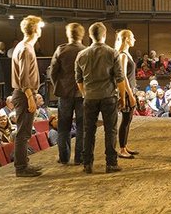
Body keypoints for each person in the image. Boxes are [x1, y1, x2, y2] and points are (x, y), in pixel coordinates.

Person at [76, 22, 132, 174]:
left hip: (90, 97)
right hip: (108, 96)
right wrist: (122, 97)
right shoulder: (112, 53)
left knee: (88, 131)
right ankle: (111, 163)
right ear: (105, 34)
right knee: (110, 130)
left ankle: (87, 163)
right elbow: (120, 78)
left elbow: (79, 79)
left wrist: (84, 93)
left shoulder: (81, 55)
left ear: (90, 35)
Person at [10, 15, 43, 178]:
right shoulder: (25, 48)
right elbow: (24, 78)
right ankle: (21, 167)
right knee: (23, 133)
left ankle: (24, 164)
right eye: (40, 27)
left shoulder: (24, 47)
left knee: (25, 133)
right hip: (24, 94)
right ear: (35, 29)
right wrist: (30, 96)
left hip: (24, 94)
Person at [49, 22, 85, 165]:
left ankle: (64, 157)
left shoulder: (61, 50)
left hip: (64, 93)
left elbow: (52, 72)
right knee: (82, 126)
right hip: (82, 93)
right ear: (82, 35)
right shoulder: (86, 50)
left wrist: (58, 85)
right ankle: (80, 158)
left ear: (68, 34)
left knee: (63, 126)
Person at [114, 29, 138, 160]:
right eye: (132, 37)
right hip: (127, 91)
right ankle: (122, 149)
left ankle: (125, 145)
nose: (134, 39)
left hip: (131, 89)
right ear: (127, 39)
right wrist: (130, 94)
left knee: (128, 120)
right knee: (125, 120)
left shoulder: (127, 54)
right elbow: (123, 76)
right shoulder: (122, 55)